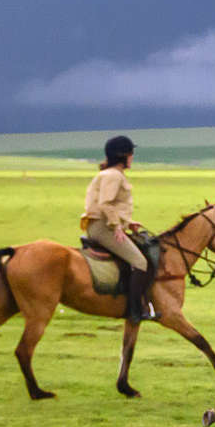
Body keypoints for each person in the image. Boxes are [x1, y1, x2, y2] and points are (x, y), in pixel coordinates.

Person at [80, 135, 155, 321]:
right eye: (131, 153)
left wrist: (128, 223)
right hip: (103, 227)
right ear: (123, 155)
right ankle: (135, 309)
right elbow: (106, 204)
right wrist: (117, 227)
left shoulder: (109, 174)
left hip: (103, 224)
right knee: (140, 262)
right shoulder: (113, 175)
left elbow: (109, 205)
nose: (132, 157)